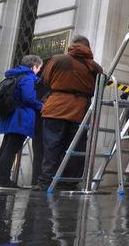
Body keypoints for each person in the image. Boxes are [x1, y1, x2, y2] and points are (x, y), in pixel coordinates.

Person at [40, 36, 103, 190]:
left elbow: (45, 80)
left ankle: (46, 181)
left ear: (72, 45)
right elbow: (100, 86)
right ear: (88, 47)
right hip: (80, 111)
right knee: (76, 148)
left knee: (52, 146)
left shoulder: (57, 59)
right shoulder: (95, 67)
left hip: (56, 107)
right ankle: (69, 182)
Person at [0, 55, 44, 188]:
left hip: (10, 116)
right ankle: (3, 180)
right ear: (33, 66)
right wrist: (42, 106)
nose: (39, 71)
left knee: (5, 148)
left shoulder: (14, 76)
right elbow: (28, 98)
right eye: (39, 68)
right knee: (10, 149)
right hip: (21, 118)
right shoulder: (28, 78)